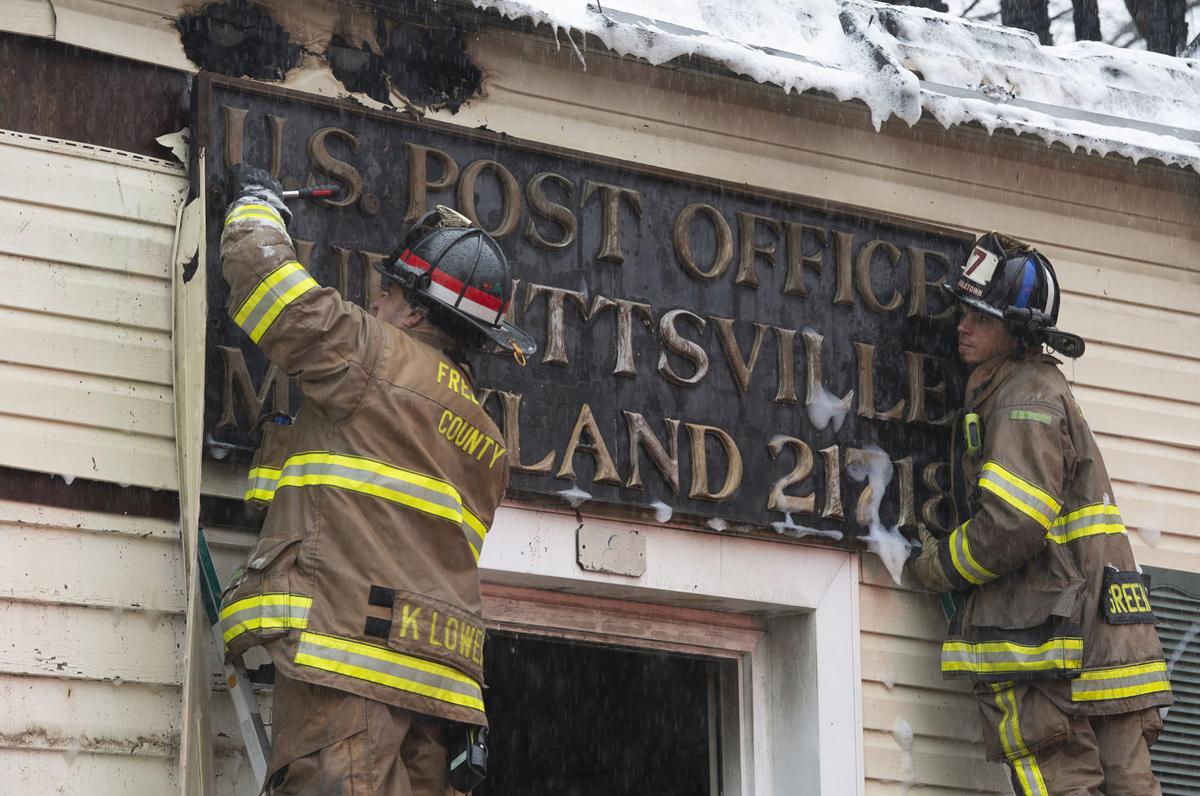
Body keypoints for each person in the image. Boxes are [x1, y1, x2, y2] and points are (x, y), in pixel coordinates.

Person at [216, 165, 536, 795]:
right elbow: (374, 508)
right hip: (439, 693)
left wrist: (256, 206)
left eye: (387, 294)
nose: (375, 305)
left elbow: (268, 283)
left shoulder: (373, 358)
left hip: (348, 664)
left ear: (414, 313)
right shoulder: (486, 440)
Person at [910, 232, 1172, 795]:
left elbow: (1014, 523)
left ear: (1018, 330)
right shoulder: (1039, 388)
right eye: (962, 311)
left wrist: (939, 566)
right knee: (1131, 785)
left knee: (1064, 783)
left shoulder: (1021, 397)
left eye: (980, 316)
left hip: (1048, 642)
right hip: (1106, 637)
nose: (962, 326)